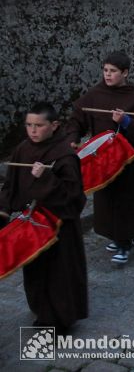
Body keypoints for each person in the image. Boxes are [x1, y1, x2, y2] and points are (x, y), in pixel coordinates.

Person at [0, 103, 87, 334]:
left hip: (60, 227)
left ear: (54, 125)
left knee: (59, 274)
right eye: (29, 125)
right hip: (33, 225)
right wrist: (4, 211)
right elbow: (10, 184)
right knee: (36, 272)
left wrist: (47, 177)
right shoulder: (22, 150)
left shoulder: (65, 156)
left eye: (39, 125)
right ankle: (42, 311)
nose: (33, 130)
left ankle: (61, 320)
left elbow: (74, 197)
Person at [66, 51, 134, 265]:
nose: (107, 75)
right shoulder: (95, 94)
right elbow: (78, 117)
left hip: (126, 161)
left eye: (112, 71)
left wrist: (125, 122)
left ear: (125, 73)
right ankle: (115, 236)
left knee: (126, 200)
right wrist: (73, 137)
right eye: (105, 70)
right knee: (106, 200)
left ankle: (125, 242)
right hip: (103, 159)